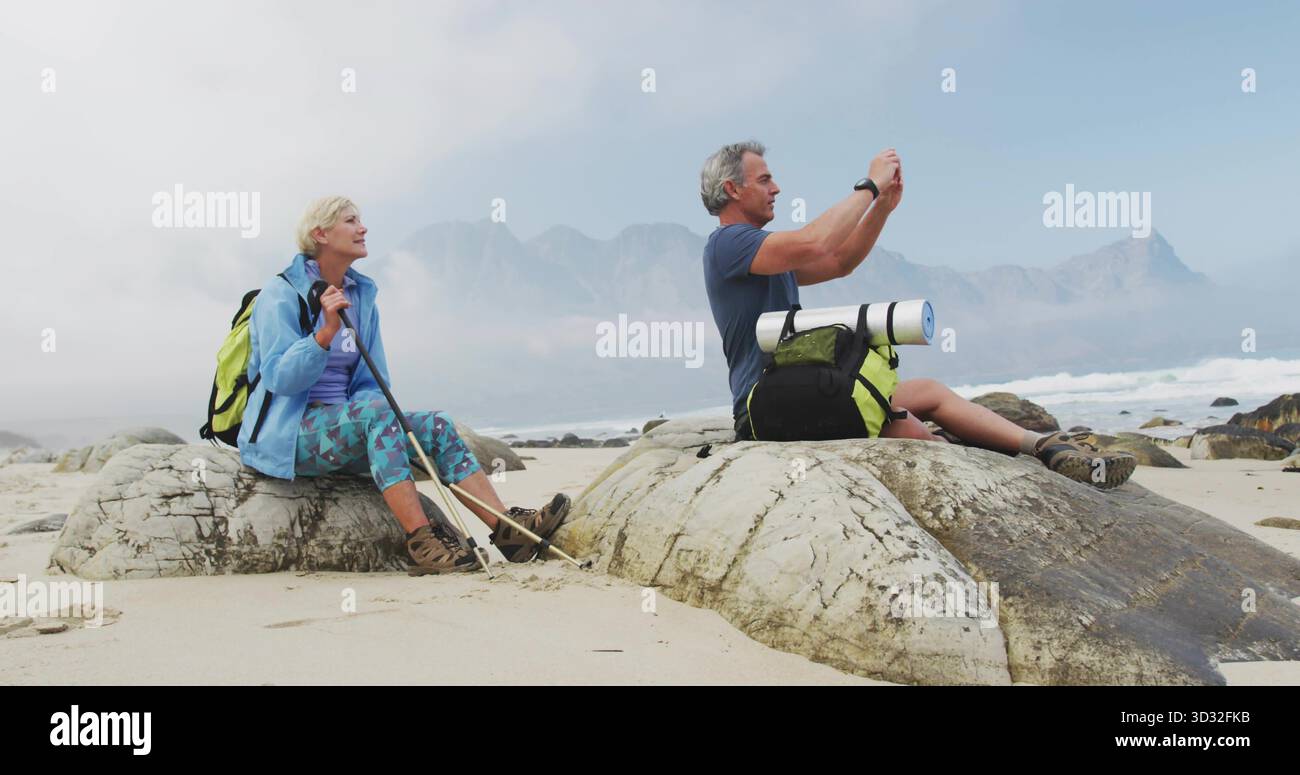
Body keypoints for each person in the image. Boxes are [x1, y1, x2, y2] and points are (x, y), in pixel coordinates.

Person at [699, 141, 1135, 489]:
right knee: (915, 436)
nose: (776, 189)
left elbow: (837, 262)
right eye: (765, 180)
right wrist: (868, 184)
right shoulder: (729, 244)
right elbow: (817, 243)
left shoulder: (762, 253)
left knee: (929, 391)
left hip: (799, 393)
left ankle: (1045, 446)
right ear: (733, 190)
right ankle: (978, 457)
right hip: (768, 405)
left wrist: (883, 206)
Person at [238, 196, 571, 572]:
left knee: (436, 426)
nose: (363, 228)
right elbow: (280, 378)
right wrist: (324, 335)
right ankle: (423, 541)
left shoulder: (360, 295)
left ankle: (508, 530)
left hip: (345, 425)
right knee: (378, 413)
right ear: (321, 234)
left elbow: (370, 381)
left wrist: (379, 427)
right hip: (291, 435)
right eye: (351, 221)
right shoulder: (280, 295)